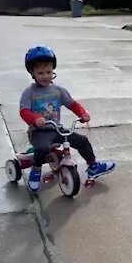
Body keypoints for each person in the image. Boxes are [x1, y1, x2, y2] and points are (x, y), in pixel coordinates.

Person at [19, 45, 116, 192]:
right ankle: (36, 169)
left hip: (56, 128)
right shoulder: (29, 92)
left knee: (81, 140)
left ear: (53, 71)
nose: (45, 76)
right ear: (32, 73)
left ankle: (93, 166)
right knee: (42, 148)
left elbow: (72, 104)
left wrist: (82, 113)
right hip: (39, 131)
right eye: (40, 73)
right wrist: (34, 118)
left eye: (48, 72)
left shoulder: (58, 90)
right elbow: (24, 111)